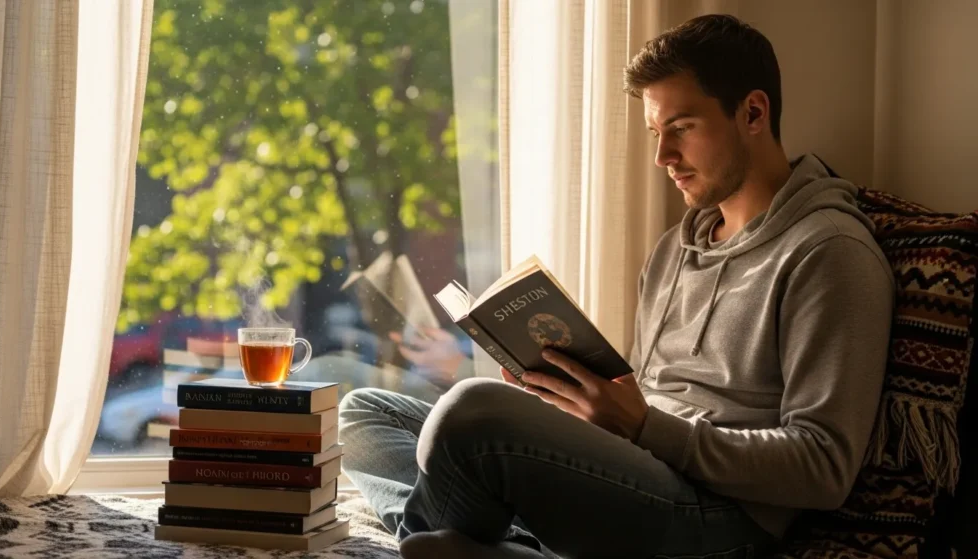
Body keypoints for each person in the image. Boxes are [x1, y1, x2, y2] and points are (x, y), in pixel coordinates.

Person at [337, 14, 895, 559]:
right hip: (641, 469)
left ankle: (461, 540)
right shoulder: (675, 248)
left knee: (470, 412)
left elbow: (824, 469)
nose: (662, 157)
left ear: (753, 112)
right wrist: (565, 401)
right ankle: (484, 540)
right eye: (656, 133)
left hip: (720, 514)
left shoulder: (829, 254)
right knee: (364, 413)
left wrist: (646, 427)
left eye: (681, 129)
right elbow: (650, 395)